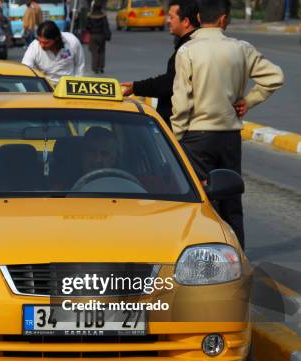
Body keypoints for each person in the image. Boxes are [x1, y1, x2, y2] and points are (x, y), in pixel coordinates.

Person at [171, 0, 284, 248]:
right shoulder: (241, 48)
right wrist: (249, 100)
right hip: (229, 136)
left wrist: (176, 136)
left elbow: (181, 101)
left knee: (201, 201)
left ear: (199, 18)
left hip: (196, 138)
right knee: (231, 199)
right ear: (224, 19)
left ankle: (207, 255)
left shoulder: (188, 50)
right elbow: (275, 77)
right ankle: (237, 254)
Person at [121, 0, 199, 127]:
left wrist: (136, 87)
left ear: (185, 21)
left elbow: (170, 83)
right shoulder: (188, 44)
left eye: (172, 17)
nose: (168, 20)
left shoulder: (188, 48)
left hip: (182, 126)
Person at [21, 20, 86, 85]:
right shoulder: (34, 46)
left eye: (46, 43)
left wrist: (78, 85)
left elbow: (79, 65)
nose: (42, 45)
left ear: (56, 38)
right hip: (46, 86)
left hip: (69, 85)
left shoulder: (72, 41)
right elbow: (26, 69)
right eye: (39, 41)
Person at [84, 0, 111, 74]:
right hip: (101, 36)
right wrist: (108, 35)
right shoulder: (103, 16)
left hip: (93, 35)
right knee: (102, 51)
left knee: (94, 52)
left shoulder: (90, 15)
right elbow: (106, 26)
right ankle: (101, 67)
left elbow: (87, 26)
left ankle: (95, 68)